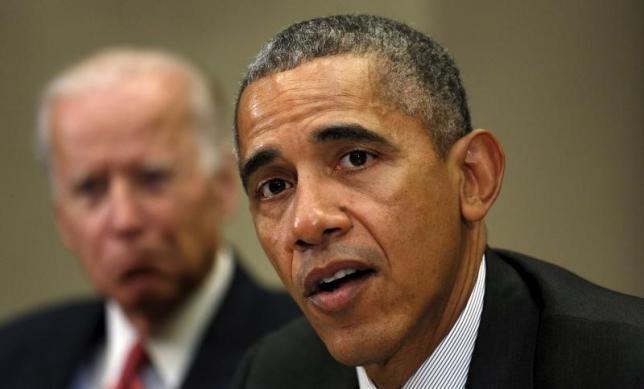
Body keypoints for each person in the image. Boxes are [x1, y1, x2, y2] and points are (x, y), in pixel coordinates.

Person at [231, 14, 644, 389]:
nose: (306, 222)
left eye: (356, 158)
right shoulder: (272, 374)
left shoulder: (625, 365)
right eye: (274, 186)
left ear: (472, 178)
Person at [0, 47, 299, 389]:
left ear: (223, 187)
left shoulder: (312, 355)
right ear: (62, 218)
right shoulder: (12, 358)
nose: (125, 220)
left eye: (152, 179)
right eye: (91, 189)